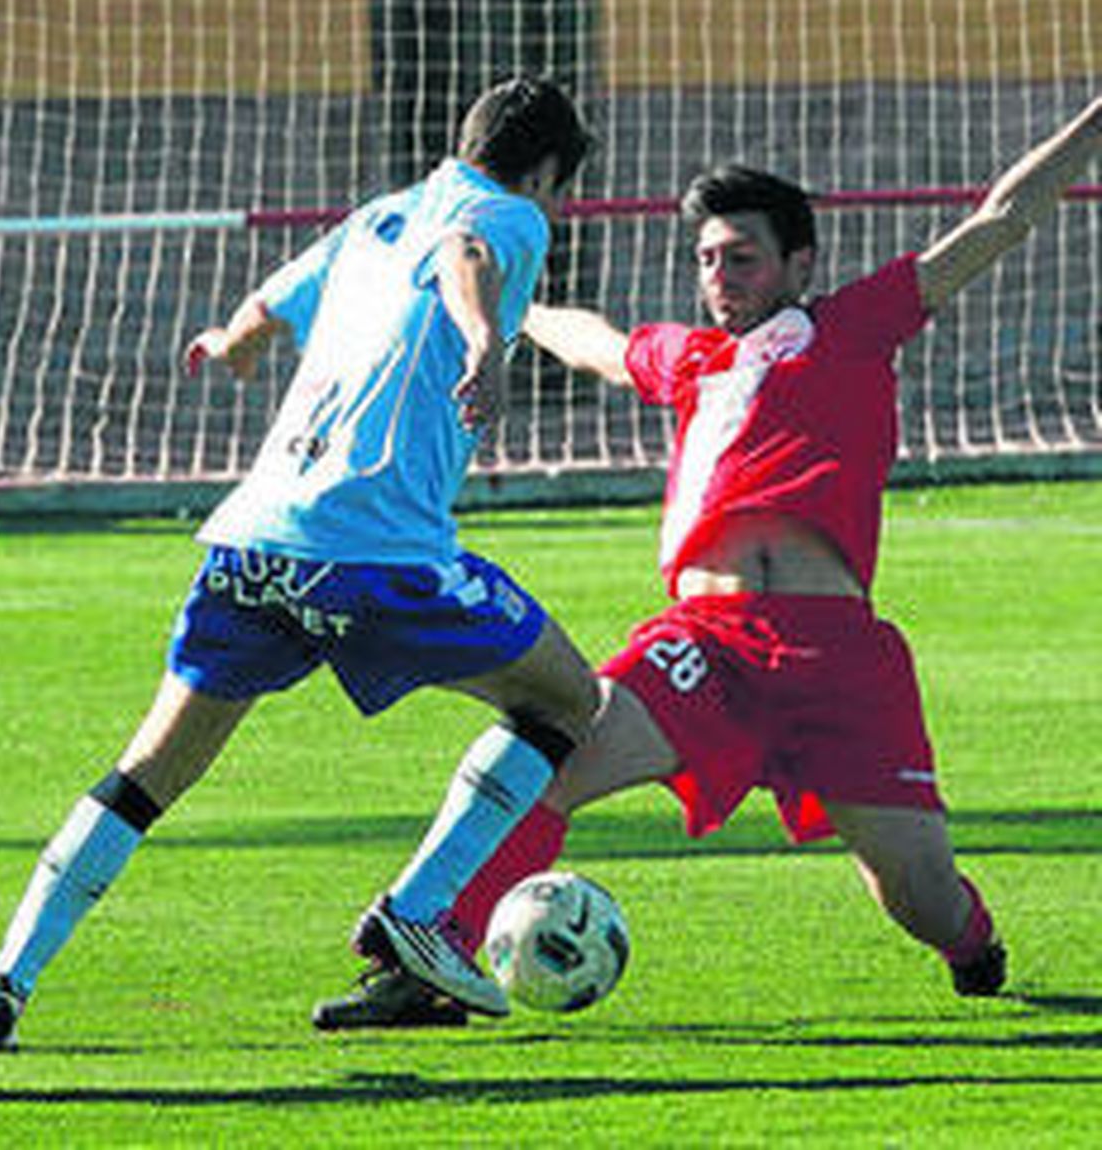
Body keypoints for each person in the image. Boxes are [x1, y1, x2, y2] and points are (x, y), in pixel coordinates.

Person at [314, 95, 1102, 1029]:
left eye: (741, 257)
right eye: (706, 260)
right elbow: (597, 340)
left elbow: (999, 221)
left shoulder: (853, 326)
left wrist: (1092, 126)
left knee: (922, 899)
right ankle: (428, 961)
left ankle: (974, 944)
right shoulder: (688, 360)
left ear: (799, 264)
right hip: (705, 648)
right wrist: (507, 308)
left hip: (838, 661)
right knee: (550, 761)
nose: (719, 276)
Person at [0, 76, 598, 1050]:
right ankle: (415, 910)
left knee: (147, 771)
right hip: (375, 551)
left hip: (253, 539)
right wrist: (479, 341)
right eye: (556, 189)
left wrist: (233, 342)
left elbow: (268, 303)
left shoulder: (380, 212)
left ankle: (5, 978)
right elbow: (467, 257)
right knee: (567, 699)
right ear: (545, 174)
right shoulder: (505, 218)